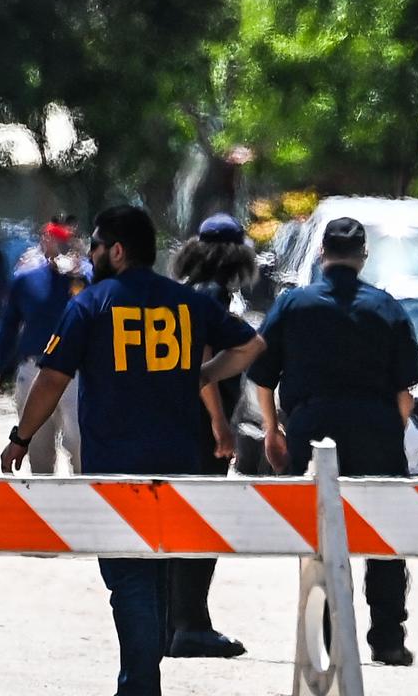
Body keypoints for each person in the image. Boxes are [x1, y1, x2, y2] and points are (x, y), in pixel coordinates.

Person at [0, 205, 267, 696]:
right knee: (156, 571)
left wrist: (21, 438)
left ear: (117, 251)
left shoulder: (92, 304)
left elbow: (53, 377)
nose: (93, 252)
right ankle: (142, 678)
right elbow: (251, 346)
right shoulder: (186, 302)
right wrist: (201, 376)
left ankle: (140, 684)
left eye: (98, 244)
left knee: (129, 579)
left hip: (117, 464)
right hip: (178, 462)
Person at [248, 216, 418, 667]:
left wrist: (273, 431)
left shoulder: (293, 304)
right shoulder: (386, 307)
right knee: (384, 537)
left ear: (323, 254)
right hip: (376, 428)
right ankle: (387, 637)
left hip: (312, 428)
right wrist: (392, 430)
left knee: (320, 536)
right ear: (362, 257)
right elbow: (406, 391)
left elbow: (262, 377)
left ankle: (327, 636)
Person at [164, 213, 257, 659]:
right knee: (199, 525)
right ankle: (192, 626)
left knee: (179, 523)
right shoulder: (212, 296)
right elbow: (201, 362)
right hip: (201, 427)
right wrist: (220, 424)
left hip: (177, 424)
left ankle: (172, 622)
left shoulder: (183, 294)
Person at [0, 218, 90, 474]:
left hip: (76, 371)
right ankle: (44, 503)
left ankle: (87, 499)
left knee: (79, 440)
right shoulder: (26, 279)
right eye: (55, 238)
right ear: (45, 240)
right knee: (37, 444)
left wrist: (81, 273)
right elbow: (7, 325)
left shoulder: (87, 278)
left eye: (66, 239)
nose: (60, 245)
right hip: (35, 367)